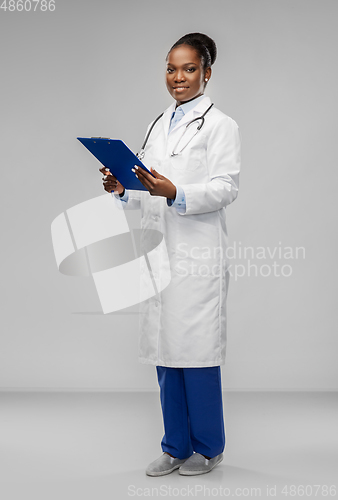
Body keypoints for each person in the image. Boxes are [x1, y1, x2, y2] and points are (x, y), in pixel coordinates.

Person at [100, 32, 241, 476]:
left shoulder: (221, 125)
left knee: (196, 355)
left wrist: (176, 190)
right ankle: (175, 445)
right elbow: (147, 182)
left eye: (188, 68)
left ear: (207, 73)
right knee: (166, 352)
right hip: (160, 252)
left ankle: (208, 448)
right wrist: (124, 186)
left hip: (196, 255)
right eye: (170, 68)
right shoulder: (158, 123)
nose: (177, 77)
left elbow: (225, 187)